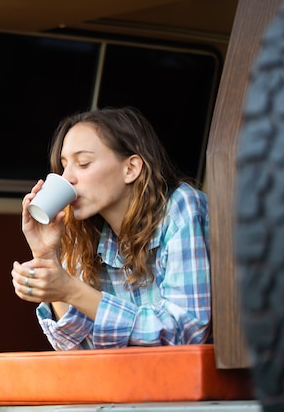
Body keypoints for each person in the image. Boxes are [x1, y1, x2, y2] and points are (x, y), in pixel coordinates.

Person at [11, 107, 211, 350]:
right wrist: (46, 257)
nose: (67, 178)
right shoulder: (85, 232)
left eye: (83, 163)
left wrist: (74, 291)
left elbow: (187, 334)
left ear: (131, 169)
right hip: (123, 383)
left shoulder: (181, 208)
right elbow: (79, 351)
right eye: (64, 166)